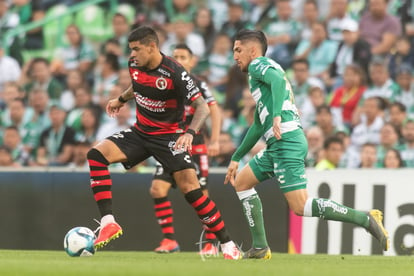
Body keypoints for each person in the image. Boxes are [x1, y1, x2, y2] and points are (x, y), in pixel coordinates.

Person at [225, 29, 389, 259]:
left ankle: (365, 219)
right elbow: (258, 125)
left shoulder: (257, 64)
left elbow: (276, 82)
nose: (234, 56)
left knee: (301, 207)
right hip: (278, 143)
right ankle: (260, 247)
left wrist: (276, 115)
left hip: (286, 141)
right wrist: (236, 156)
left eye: (238, 50)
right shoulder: (259, 74)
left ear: (252, 50)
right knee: (242, 182)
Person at [89, 26, 241, 260]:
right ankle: (108, 222)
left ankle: (228, 243)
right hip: (140, 133)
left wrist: (190, 132)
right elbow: (137, 85)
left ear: (152, 47)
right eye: (131, 50)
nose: (133, 54)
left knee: (192, 191)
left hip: (169, 138)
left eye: (137, 49)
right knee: (96, 155)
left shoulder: (175, 72)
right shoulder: (134, 64)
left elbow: (202, 107)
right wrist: (120, 99)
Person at [149, 43, 221, 255]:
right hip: (169, 147)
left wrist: (215, 140)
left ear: (192, 60)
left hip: (195, 147)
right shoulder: (164, 83)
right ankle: (169, 240)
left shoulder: (198, 84)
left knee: (201, 194)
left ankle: (210, 243)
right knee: (156, 189)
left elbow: (214, 111)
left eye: (183, 56)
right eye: (175, 56)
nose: (178, 59)